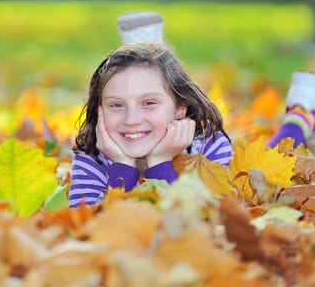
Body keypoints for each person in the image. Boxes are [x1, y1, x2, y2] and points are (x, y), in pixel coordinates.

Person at [68, 11, 232, 208]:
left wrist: (160, 164)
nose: (132, 120)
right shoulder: (93, 156)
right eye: (116, 105)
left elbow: (206, 224)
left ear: (181, 107)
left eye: (148, 103)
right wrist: (123, 168)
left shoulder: (208, 147)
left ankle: (150, 46)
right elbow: (89, 229)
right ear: (99, 110)